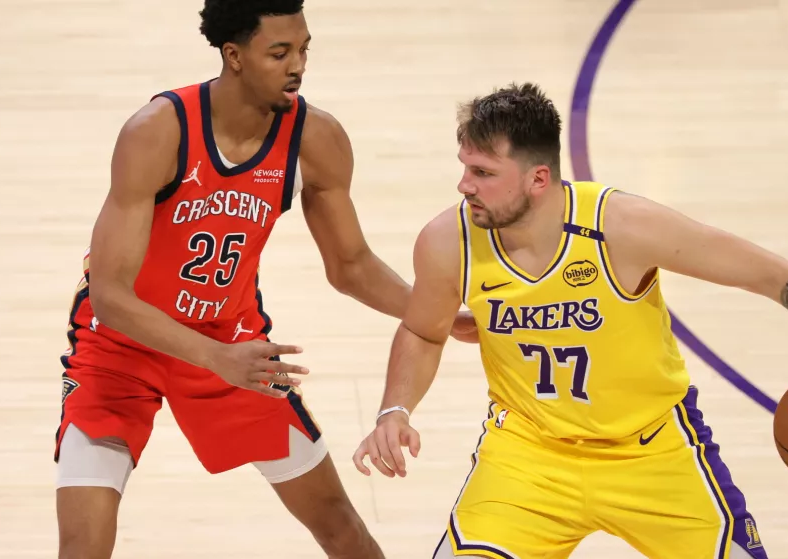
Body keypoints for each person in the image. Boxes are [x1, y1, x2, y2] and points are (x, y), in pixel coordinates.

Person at [352, 83, 788, 559]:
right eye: (464, 168)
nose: (464, 185)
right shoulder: (449, 242)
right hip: (528, 456)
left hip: (655, 451)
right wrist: (394, 409)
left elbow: (767, 275)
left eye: (483, 172)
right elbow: (423, 331)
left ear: (538, 178)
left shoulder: (623, 227)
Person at [53, 1, 475, 558]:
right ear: (234, 56)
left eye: (303, 49)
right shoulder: (157, 132)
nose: (297, 65)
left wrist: (435, 312)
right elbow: (109, 296)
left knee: (339, 525)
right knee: (82, 547)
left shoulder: (316, 138)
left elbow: (351, 266)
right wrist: (214, 357)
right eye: (279, 53)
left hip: (233, 343)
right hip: (121, 348)